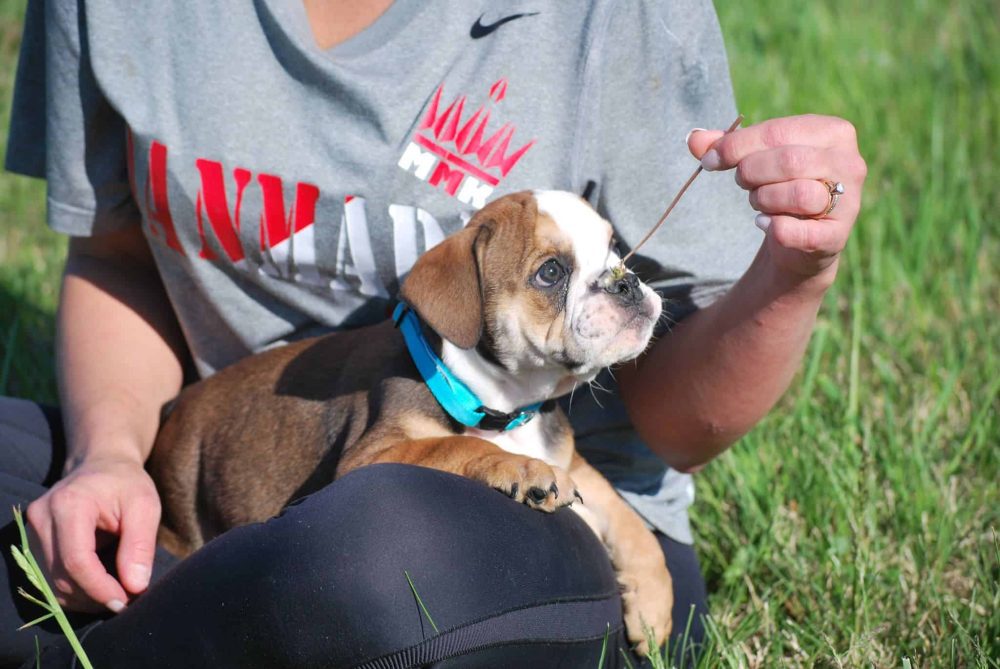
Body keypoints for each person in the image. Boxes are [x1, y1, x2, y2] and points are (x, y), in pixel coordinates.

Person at [0, 0, 867, 666]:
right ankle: (181, 610)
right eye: (555, 275)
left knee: (381, 559)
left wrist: (794, 275)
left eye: (611, 261)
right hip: (218, 460)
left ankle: (121, 630)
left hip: (463, 558)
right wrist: (105, 458)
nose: (609, 286)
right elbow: (113, 257)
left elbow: (662, 433)